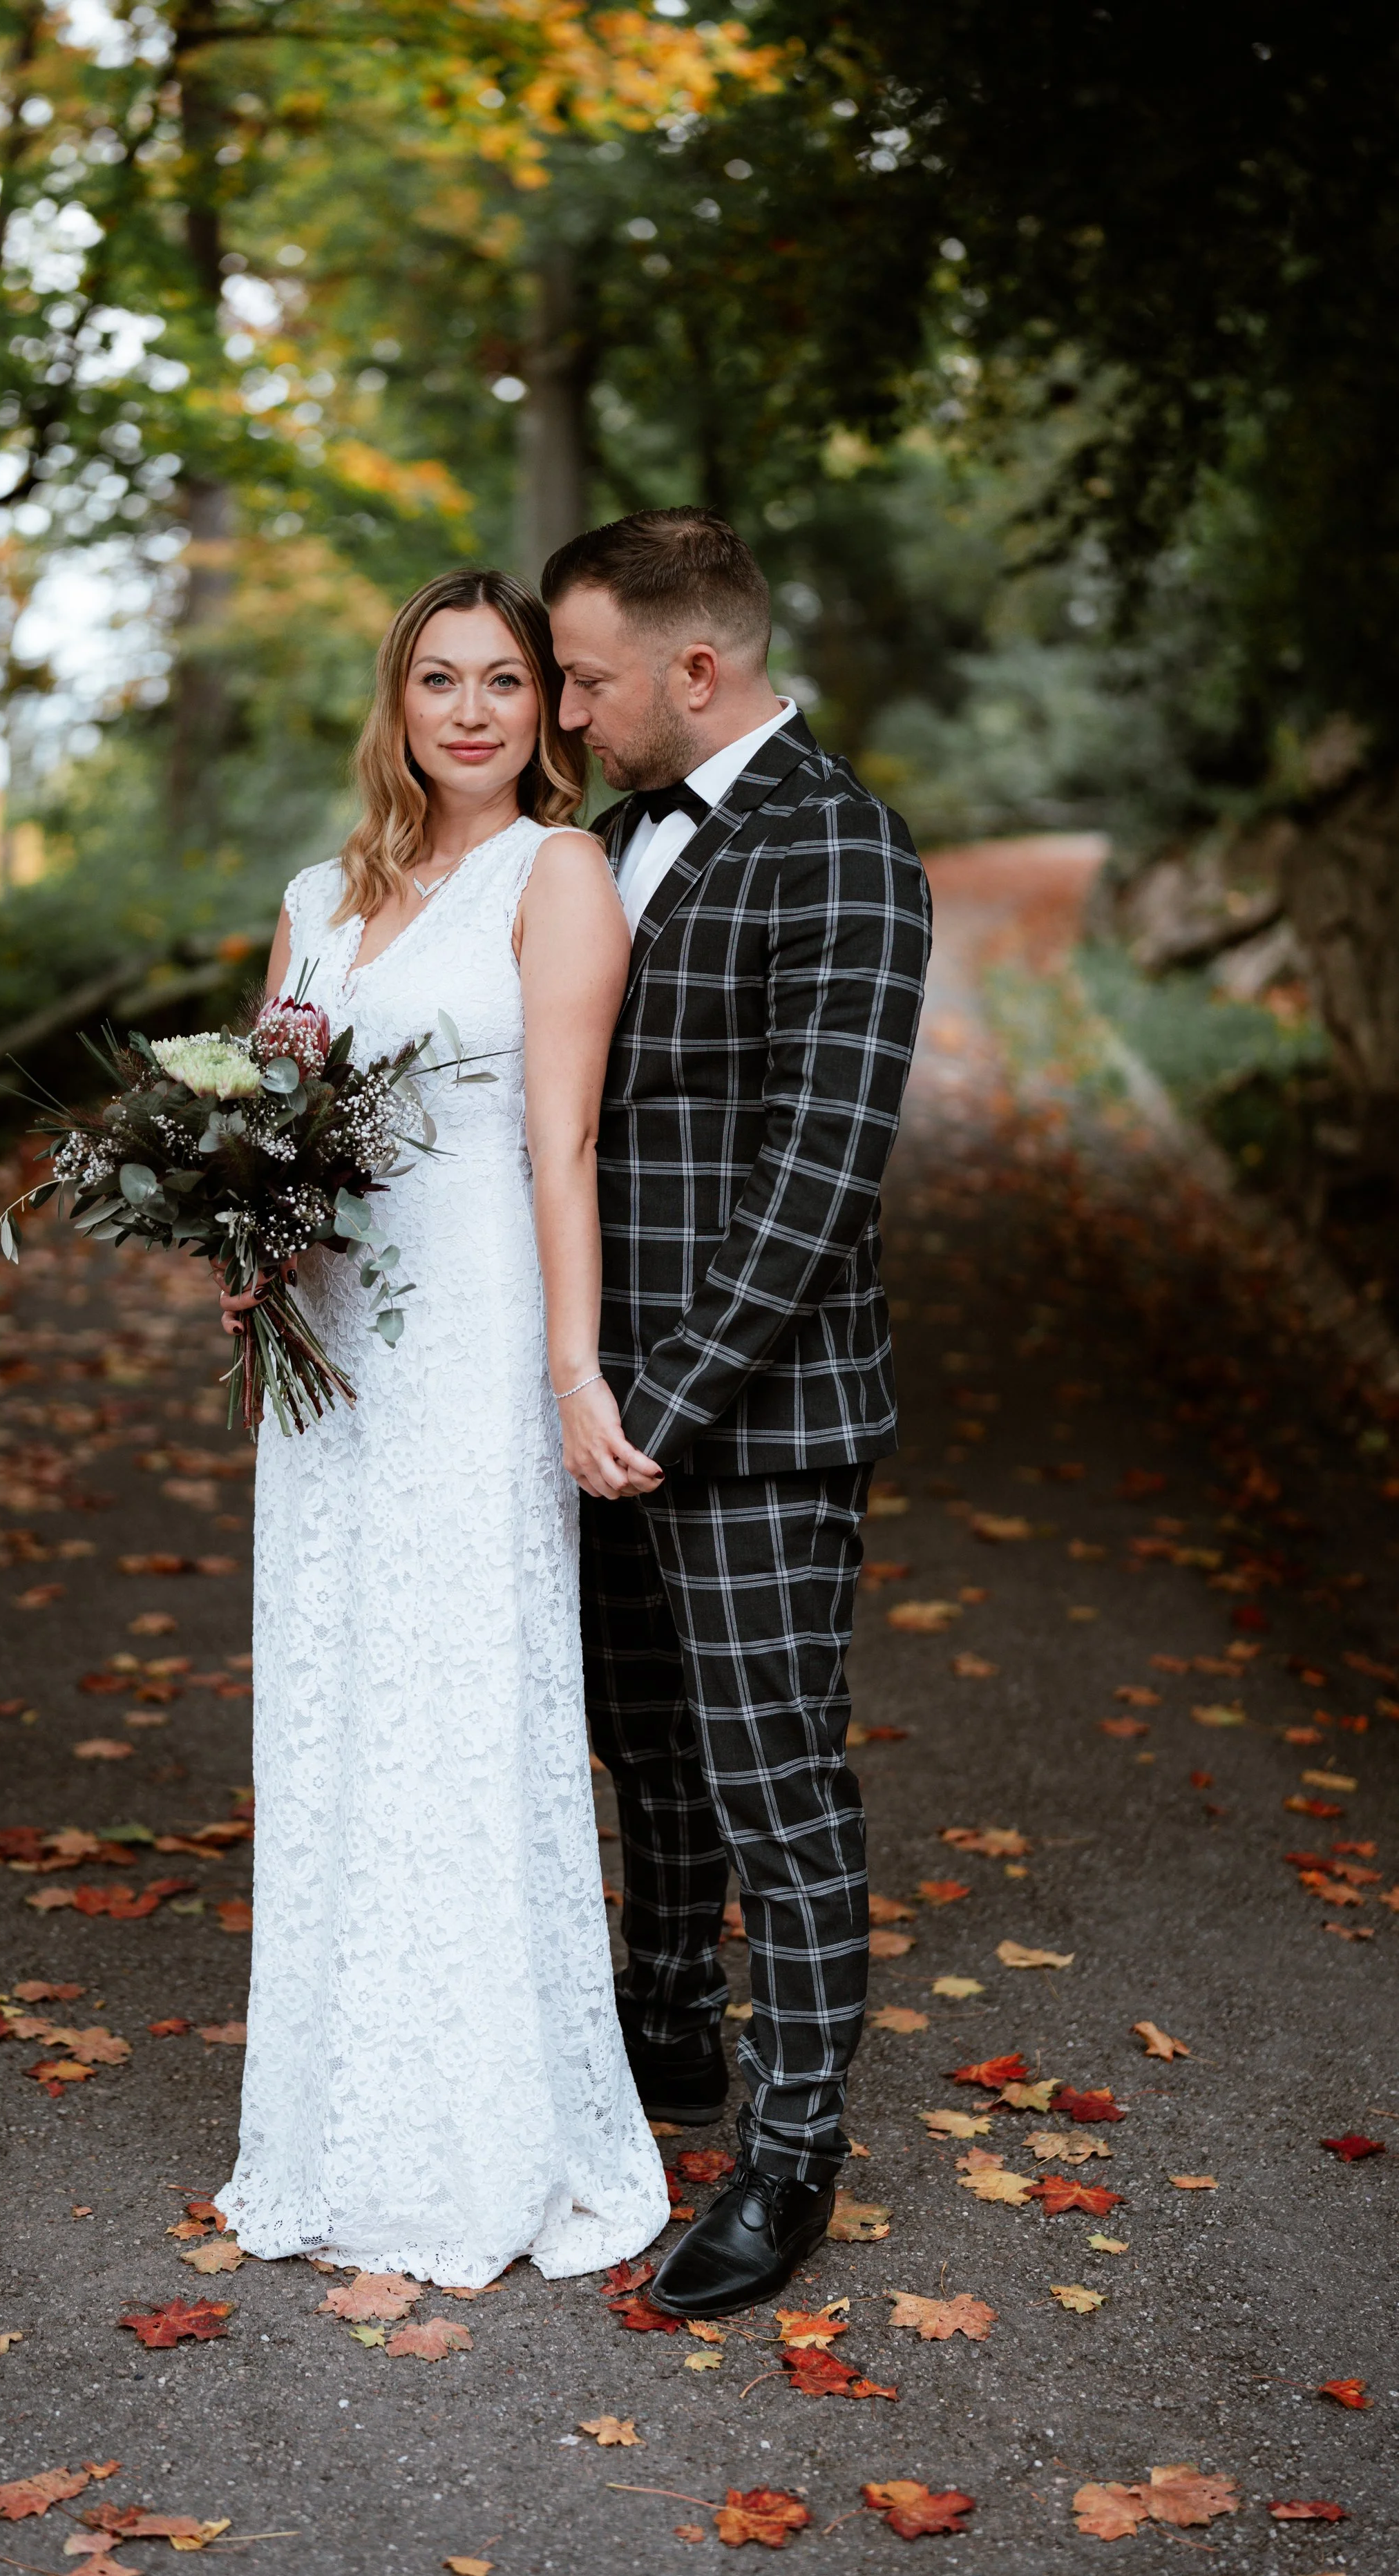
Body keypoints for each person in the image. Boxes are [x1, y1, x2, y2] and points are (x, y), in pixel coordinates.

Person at [212, 567, 669, 2288]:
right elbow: (261, 1118)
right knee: (338, 1709)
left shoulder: (559, 878)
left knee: (465, 1713)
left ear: (547, 707)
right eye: (437, 681)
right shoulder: (315, 893)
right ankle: (335, 2128)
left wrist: (572, 1372)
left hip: (472, 1349)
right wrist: (238, 1248)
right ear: (393, 705)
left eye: (503, 681)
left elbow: (560, 1148)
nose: (471, 711)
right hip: (330, 1364)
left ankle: (488, 2137)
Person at [544, 509, 932, 2313]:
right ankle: (668, 2036)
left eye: (585, 675)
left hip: (752, 1420)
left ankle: (791, 2161)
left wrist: (667, 1397)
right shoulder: (609, 841)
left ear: (692, 669)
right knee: (650, 1753)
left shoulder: (842, 848)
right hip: (595, 1403)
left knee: (775, 1780)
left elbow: (814, 1175)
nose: (562, 705)